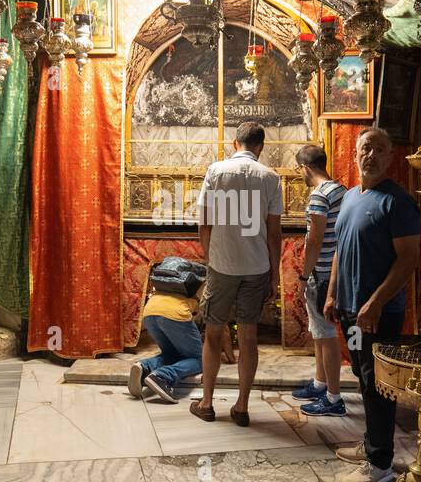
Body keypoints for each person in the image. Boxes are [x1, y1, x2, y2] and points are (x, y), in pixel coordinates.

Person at [323, 128, 421, 482]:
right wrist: (333, 295)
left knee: (378, 386)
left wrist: (375, 301)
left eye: (381, 149)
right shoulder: (350, 197)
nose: (372, 155)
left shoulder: (397, 202)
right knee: (364, 380)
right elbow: (339, 250)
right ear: (356, 155)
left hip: (378, 313)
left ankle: (379, 463)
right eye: (367, 148)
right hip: (350, 309)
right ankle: (371, 442)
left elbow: (410, 258)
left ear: (390, 157)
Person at [192, 122, 283, 426]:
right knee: (249, 337)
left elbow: (204, 222)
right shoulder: (270, 177)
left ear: (234, 143)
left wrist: (210, 257)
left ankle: (206, 403)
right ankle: (242, 406)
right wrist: (274, 274)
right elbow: (273, 232)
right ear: (261, 146)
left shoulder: (216, 171)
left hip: (223, 265)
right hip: (257, 267)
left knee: (213, 333)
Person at [291, 143, 347, 415]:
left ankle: (334, 398)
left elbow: (314, 241)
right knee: (319, 331)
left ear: (305, 168)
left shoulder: (318, 196)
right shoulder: (341, 190)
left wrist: (304, 275)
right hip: (335, 270)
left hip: (322, 271)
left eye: (298, 169)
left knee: (326, 335)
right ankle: (319, 383)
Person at [128, 261, 204, 402]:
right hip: (175, 314)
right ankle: (162, 376)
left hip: (150, 311)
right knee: (200, 359)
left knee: (172, 354)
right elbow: (213, 323)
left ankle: (144, 366)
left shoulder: (177, 277)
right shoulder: (205, 280)